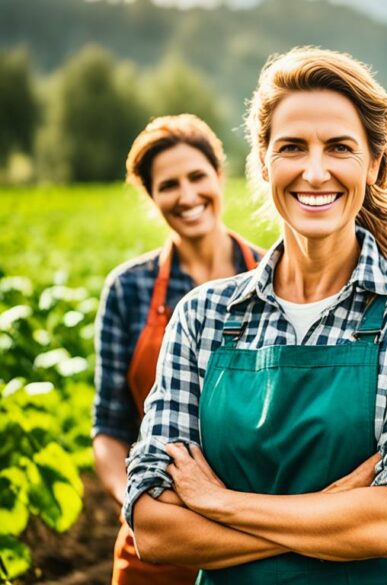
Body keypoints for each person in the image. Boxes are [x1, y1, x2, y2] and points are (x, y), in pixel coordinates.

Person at [122, 47, 387, 585]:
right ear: (262, 161)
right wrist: (333, 514)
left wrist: (216, 502)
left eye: (339, 147)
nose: (314, 170)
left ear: (375, 163)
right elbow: (156, 529)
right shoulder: (203, 317)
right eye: (291, 147)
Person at [92, 114, 262, 585]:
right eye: (168, 185)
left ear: (219, 177)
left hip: (257, 527)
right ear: (151, 196)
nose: (187, 196)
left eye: (197, 177)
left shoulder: (273, 275)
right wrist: (138, 504)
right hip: (159, 540)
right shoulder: (130, 289)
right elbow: (109, 428)